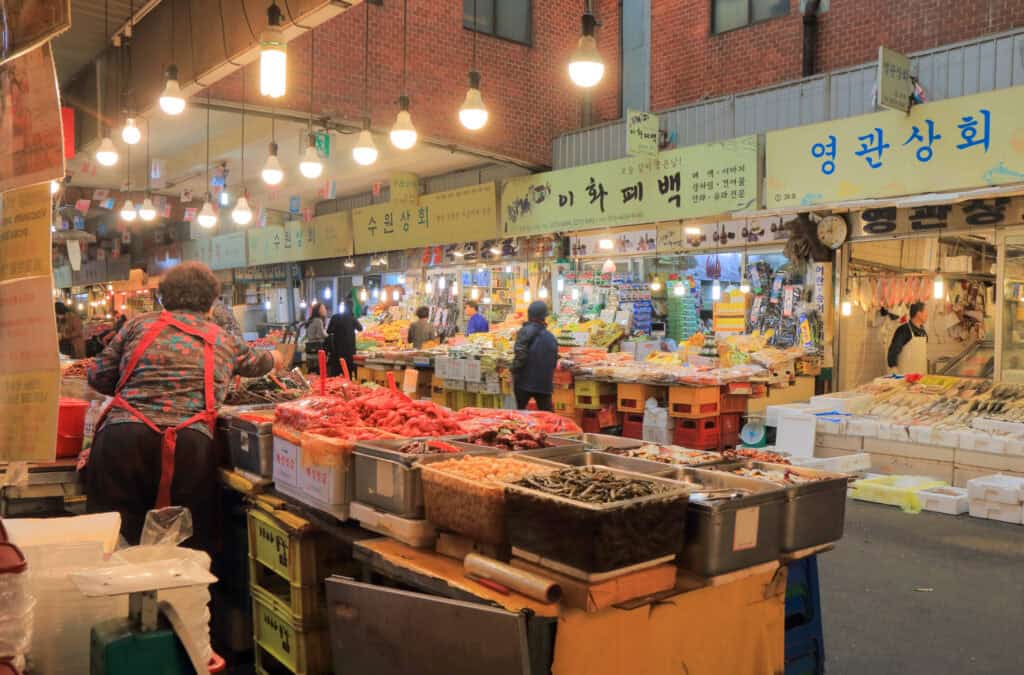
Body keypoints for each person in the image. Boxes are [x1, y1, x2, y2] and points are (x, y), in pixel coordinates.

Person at [86, 262, 281, 551]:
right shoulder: (223, 339)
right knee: (184, 547)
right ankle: (173, 596)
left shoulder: (138, 325)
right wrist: (277, 356)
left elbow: (97, 375)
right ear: (211, 301)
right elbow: (261, 364)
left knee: (114, 541)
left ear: (164, 297)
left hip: (122, 440)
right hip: (189, 448)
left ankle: (121, 596)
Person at [512, 301, 558, 412]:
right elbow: (554, 362)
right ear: (544, 317)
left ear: (529, 315)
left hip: (524, 383)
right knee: (547, 416)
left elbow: (520, 356)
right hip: (544, 384)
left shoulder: (524, 332)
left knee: (521, 415)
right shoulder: (551, 337)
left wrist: (513, 369)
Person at [887, 302, 928, 375]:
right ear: (918, 313)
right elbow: (894, 349)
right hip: (905, 375)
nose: (927, 315)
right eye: (925, 312)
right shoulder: (904, 329)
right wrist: (893, 367)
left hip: (921, 374)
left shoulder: (923, 332)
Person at [326, 304, 363, 378]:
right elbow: (360, 328)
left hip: (337, 351)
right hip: (349, 351)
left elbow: (328, 331)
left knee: (335, 374)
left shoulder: (335, 317)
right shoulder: (352, 318)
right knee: (347, 373)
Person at [304, 302, 329, 374]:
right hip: (317, 349)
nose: (325, 310)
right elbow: (321, 334)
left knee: (311, 370)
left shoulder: (311, 320)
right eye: (323, 308)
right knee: (319, 371)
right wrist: (330, 335)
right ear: (319, 310)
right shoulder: (318, 320)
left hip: (310, 349)